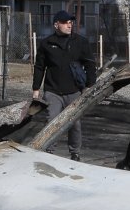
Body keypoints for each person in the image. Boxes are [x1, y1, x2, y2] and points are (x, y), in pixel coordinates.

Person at [31, 10, 97, 161]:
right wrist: (36, 89)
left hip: (74, 91)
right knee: (52, 121)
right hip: (52, 91)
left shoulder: (80, 42)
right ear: (56, 25)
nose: (70, 25)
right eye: (66, 22)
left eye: (71, 22)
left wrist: (89, 85)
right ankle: (49, 151)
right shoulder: (47, 44)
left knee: (74, 123)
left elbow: (90, 64)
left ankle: (75, 153)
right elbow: (39, 67)